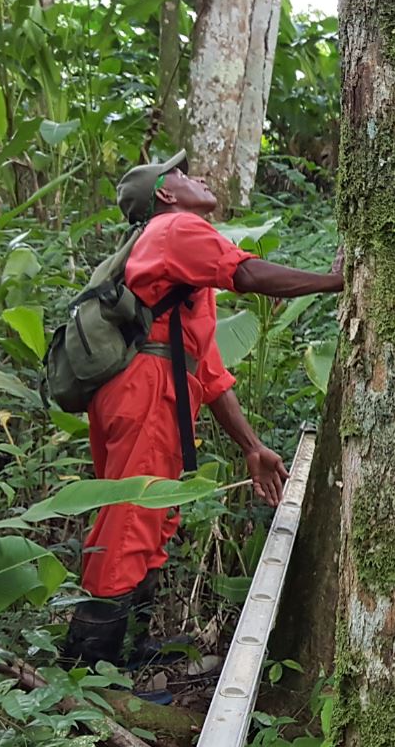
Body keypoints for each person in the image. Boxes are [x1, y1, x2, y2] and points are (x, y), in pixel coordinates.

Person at [62, 150, 345, 668]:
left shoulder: (180, 269)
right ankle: (92, 670)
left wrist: (253, 447)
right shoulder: (176, 230)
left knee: (150, 516)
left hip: (154, 393)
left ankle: (131, 651)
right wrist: (333, 282)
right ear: (166, 195)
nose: (197, 178)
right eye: (183, 175)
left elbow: (209, 375)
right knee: (129, 522)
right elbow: (250, 274)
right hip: (146, 394)